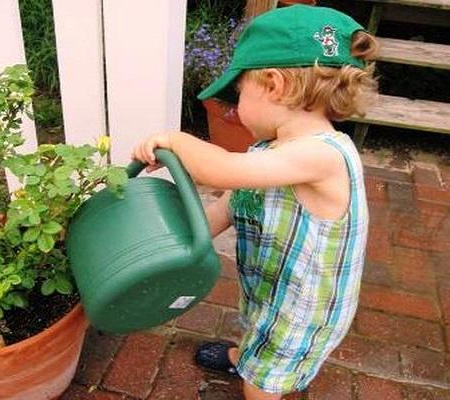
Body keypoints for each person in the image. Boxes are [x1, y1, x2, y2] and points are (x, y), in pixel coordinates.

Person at [132, 5, 378, 399]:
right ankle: (244, 355)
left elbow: (221, 171)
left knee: (262, 386)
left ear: (274, 85)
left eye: (238, 94)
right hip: (273, 290)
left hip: (304, 312)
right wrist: (174, 251)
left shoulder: (324, 155)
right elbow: (231, 204)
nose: (235, 108)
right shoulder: (272, 149)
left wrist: (175, 140)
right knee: (258, 330)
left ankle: (256, 376)